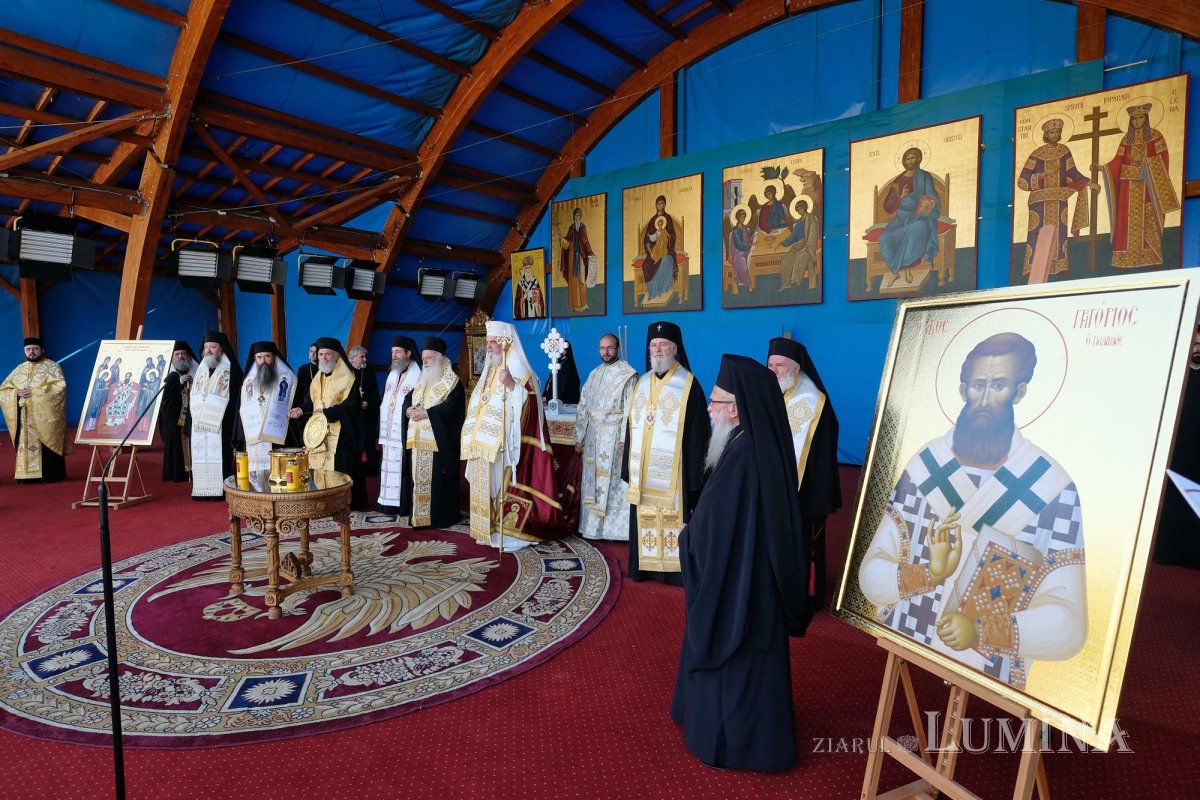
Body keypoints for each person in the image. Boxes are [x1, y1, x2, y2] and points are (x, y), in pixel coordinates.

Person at [858, 332, 1087, 689]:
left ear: (1019, 392)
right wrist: (928, 574)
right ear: (962, 388)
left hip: (991, 665)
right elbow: (870, 574)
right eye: (977, 385)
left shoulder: (1051, 487)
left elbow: (1069, 624)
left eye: (998, 386)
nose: (984, 398)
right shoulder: (923, 468)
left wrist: (982, 631)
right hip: (911, 635)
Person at [671, 354, 812, 772]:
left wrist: (688, 536)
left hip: (739, 588)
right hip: (750, 579)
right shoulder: (749, 444)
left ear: (734, 408)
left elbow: (714, 529)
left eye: (715, 402)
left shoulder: (744, 454)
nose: (709, 410)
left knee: (736, 657)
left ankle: (734, 743)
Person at [461, 320, 567, 550]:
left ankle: (508, 531)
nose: (488, 347)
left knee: (503, 482)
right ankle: (488, 526)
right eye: (487, 343)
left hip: (510, 441)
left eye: (492, 342)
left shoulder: (517, 364)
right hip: (488, 439)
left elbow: (530, 401)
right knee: (491, 482)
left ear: (505, 342)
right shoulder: (491, 367)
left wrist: (511, 385)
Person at [623, 321, 710, 584]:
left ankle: (675, 571)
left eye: (663, 345)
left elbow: (699, 435)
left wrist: (694, 477)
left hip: (676, 474)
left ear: (675, 349)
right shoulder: (642, 383)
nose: (658, 350)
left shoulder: (688, 385)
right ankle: (645, 568)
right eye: (653, 345)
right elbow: (631, 427)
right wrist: (628, 465)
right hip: (644, 472)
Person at [766, 337, 842, 608]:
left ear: (796, 368)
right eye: (771, 364)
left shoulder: (814, 400)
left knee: (802, 544)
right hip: (774, 488)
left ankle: (805, 596)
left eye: (780, 365)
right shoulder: (770, 393)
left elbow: (821, 454)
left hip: (806, 491)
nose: (774, 370)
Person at [1017, 118, 1099, 283]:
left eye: (1056, 132)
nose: (1054, 135)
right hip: (1039, 202)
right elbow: (1022, 180)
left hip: (1059, 198)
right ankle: (1033, 267)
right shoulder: (1036, 154)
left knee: (1059, 232)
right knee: (1037, 233)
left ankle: (1059, 265)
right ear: (1046, 135)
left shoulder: (1064, 151)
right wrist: (1042, 176)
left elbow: (1072, 173)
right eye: (1051, 132)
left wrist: (1088, 182)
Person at [290, 337, 367, 511]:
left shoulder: (348, 378)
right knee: (317, 465)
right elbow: (311, 401)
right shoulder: (317, 378)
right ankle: (323, 501)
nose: (323, 358)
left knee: (340, 467)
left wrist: (329, 413)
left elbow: (351, 405)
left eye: (327, 355)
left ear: (337, 356)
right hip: (319, 431)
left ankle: (343, 503)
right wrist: (301, 410)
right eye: (321, 354)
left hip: (341, 432)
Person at [1100, 103, 1180, 269]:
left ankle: (1151, 257)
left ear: (1146, 118)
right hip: (1127, 188)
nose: (1137, 121)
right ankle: (1124, 260)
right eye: (1134, 118)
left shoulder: (1156, 136)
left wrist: (1145, 164)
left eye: (1141, 117)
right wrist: (1104, 168)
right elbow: (1118, 161)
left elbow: (1163, 159)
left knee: (1148, 219)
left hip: (1148, 185)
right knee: (1126, 220)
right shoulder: (1126, 140)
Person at [575, 333, 637, 541]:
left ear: (618, 349)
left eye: (610, 348)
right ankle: (592, 528)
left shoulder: (627, 375)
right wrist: (579, 437)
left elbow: (630, 409)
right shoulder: (594, 374)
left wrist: (624, 439)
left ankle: (614, 531)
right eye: (602, 348)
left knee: (612, 484)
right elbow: (583, 406)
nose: (606, 352)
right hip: (593, 436)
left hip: (613, 436)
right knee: (592, 483)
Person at [406, 337, 465, 528]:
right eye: (424, 358)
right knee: (418, 480)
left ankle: (438, 517)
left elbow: (451, 410)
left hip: (439, 443)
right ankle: (419, 517)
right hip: (418, 440)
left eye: (429, 358)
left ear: (440, 358)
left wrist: (427, 414)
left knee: (437, 482)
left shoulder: (452, 382)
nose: (425, 361)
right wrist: (408, 410)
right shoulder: (423, 378)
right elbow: (409, 399)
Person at [1155, 321, 1200, 568]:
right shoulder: (1175, 375)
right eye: (1194, 343)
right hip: (1173, 452)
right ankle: (1163, 551)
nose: (1197, 349)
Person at [0, 337, 67, 483]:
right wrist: (16, 393)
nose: (32, 352)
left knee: (46, 444)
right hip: (25, 417)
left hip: (44, 416)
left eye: (35, 349)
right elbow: (4, 389)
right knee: (26, 443)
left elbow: (59, 388)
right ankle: (27, 476)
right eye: (28, 349)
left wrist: (34, 393)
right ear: (24, 351)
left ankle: (50, 474)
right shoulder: (20, 369)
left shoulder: (52, 367)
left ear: (42, 350)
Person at [188, 330, 241, 499]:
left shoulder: (231, 370)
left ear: (221, 349)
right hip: (199, 427)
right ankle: (202, 492)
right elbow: (194, 398)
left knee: (222, 456)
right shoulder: (201, 370)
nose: (209, 351)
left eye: (213, 347)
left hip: (222, 424)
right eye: (206, 347)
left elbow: (236, 401)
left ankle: (222, 490)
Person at [878, 146, 941, 288]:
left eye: (912, 158)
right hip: (901, 218)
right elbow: (888, 206)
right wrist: (901, 198)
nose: (910, 161)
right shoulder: (899, 181)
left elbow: (932, 195)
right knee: (884, 237)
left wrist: (927, 205)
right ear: (904, 161)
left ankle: (906, 270)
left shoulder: (924, 177)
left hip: (919, 217)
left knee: (912, 229)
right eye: (907, 158)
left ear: (918, 159)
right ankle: (896, 271)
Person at [233, 342, 296, 473]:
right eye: (259, 357)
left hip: (279, 437)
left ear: (274, 357)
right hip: (253, 435)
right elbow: (242, 410)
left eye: (267, 356)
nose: (263, 361)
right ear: (255, 359)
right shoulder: (247, 382)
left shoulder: (287, 378)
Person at [377, 336, 421, 516]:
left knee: (402, 467)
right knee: (387, 466)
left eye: (397, 352)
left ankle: (401, 505)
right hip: (389, 432)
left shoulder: (418, 373)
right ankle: (386, 503)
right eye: (392, 352)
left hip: (404, 429)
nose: (394, 356)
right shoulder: (393, 372)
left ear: (408, 353)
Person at [159, 341, 196, 483]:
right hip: (173, 417)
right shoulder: (170, 374)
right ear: (172, 357)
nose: (181, 356)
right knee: (175, 445)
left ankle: (191, 471)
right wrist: (180, 381)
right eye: (177, 354)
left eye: (183, 354)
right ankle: (176, 473)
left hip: (190, 416)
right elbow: (165, 395)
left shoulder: (195, 370)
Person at [350, 345, 381, 477]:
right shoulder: (346, 372)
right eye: (362, 357)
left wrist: (368, 403)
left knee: (369, 442)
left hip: (367, 415)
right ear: (352, 358)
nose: (364, 359)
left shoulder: (369, 372)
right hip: (352, 416)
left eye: (365, 357)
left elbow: (375, 394)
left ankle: (370, 469)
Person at [641, 195, 679, 303]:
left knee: (666, 261)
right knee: (646, 265)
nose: (660, 206)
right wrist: (650, 252)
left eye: (662, 203)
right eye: (658, 204)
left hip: (666, 250)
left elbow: (672, 235)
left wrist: (665, 236)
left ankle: (662, 289)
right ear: (655, 205)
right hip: (653, 251)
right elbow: (647, 238)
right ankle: (653, 292)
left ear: (665, 204)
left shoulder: (668, 219)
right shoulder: (653, 220)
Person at [778, 198, 821, 291]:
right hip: (798, 245)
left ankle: (794, 278)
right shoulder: (799, 222)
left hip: (809, 244)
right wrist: (782, 243)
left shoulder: (811, 218)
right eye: (797, 210)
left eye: (800, 209)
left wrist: (806, 247)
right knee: (785, 260)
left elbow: (813, 234)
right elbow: (794, 236)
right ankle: (785, 284)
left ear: (804, 208)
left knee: (800, 255)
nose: (799, 212)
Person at [560, 207, 593, 312]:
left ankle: (584, 304)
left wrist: (590, 252)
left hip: (580, 256)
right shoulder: (571, 228)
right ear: (573, 217)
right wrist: (563, 240)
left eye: (579, 216)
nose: (577, 218)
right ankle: (573, 305)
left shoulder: (582, 227)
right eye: (576, 216)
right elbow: (567, 241)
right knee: (573, 281)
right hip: (571, 256)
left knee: (582, 280)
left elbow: (585, 241)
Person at [290, 342, 319, 446]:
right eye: (311, 351)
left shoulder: (326, 369)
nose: (313, 354)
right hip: (306, 411)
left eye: (316, 352)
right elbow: (299, 392)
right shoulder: (303, 369)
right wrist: (298, 408)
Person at [542, 338, 581, 406]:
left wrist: (547, 398)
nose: (555, 350)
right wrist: (544, 396)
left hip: (565, 405)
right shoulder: (558, 364)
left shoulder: (567, 365)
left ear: (565, 351)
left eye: (558, 348)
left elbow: (562, 387)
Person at [727, 208, 752, 289]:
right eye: (741, 217)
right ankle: (747, 283)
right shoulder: (736, 231)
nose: (743, 219)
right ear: (737, 218)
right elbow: (738, 244)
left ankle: (748, 281)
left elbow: (749, 239)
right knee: (742, 261)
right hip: (737, 252)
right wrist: (749, 245)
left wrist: (751, 243)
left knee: (751, 258)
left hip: (746, 251)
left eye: (744, 217)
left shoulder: (745, 229)